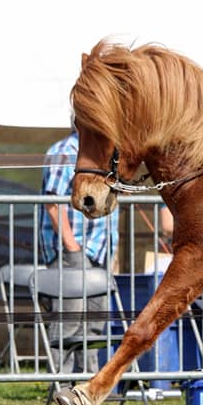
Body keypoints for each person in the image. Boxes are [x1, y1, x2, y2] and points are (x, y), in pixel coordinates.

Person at [39, 126, 120, 374]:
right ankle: (61, 384)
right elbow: (52, 202)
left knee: (95, 324)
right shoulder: (64, 152)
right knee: (68, 323)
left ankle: (87, 381)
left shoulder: (105, 154)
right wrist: (71, 246)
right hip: (72, 252)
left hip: (99, 252)